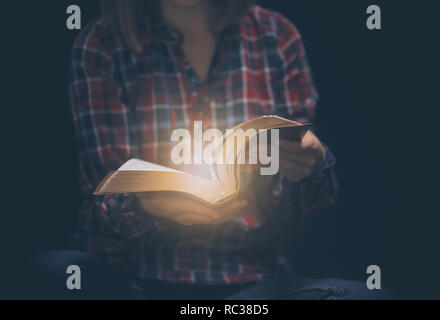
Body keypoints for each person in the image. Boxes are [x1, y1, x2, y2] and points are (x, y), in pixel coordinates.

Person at [26, 0, 392, 299]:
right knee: (50, 269)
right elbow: (101, 194)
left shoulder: (277, 38)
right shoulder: (102, 42)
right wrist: (144, 206)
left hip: (252, 286)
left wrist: (314, 164)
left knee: (370, 296)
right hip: (130, 280)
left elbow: (313, 210)